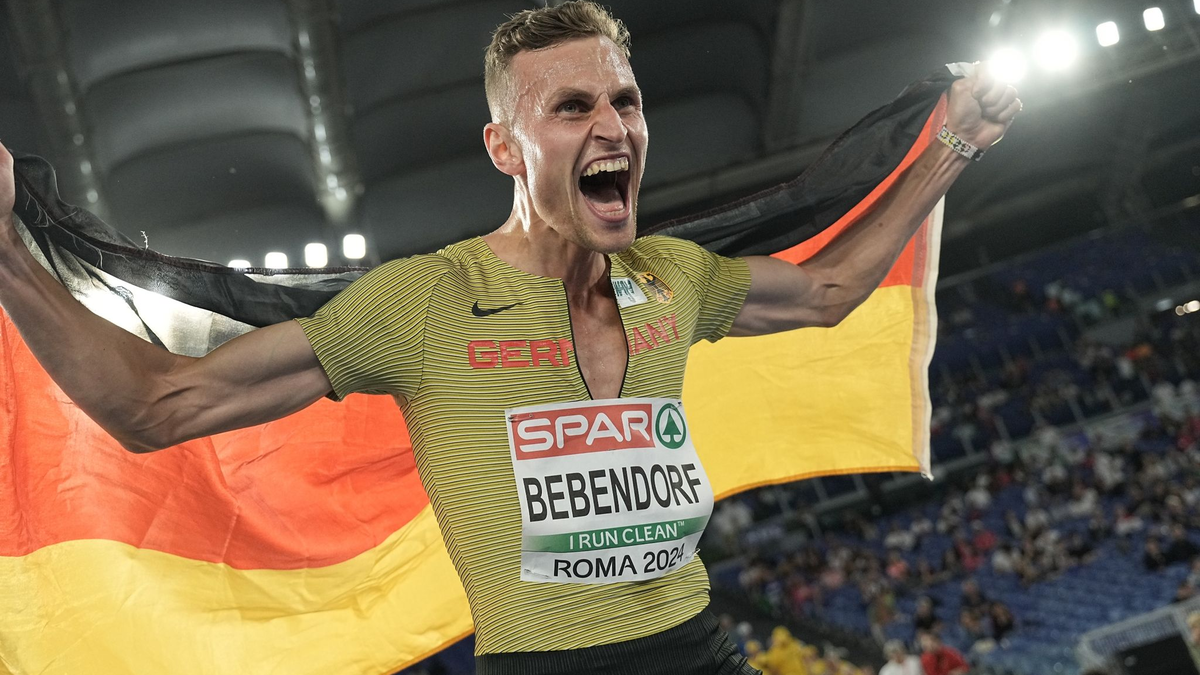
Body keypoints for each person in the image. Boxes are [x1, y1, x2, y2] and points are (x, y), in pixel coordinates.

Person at [0, 2, 1021, 672]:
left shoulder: (674, 278)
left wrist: (961, 141)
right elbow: (155, 406)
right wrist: (5, 248)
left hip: (702, 650)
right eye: (571, 106)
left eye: (624, 99)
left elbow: (831, 289)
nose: (612, 125)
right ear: (504, 146)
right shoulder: (422, 303)